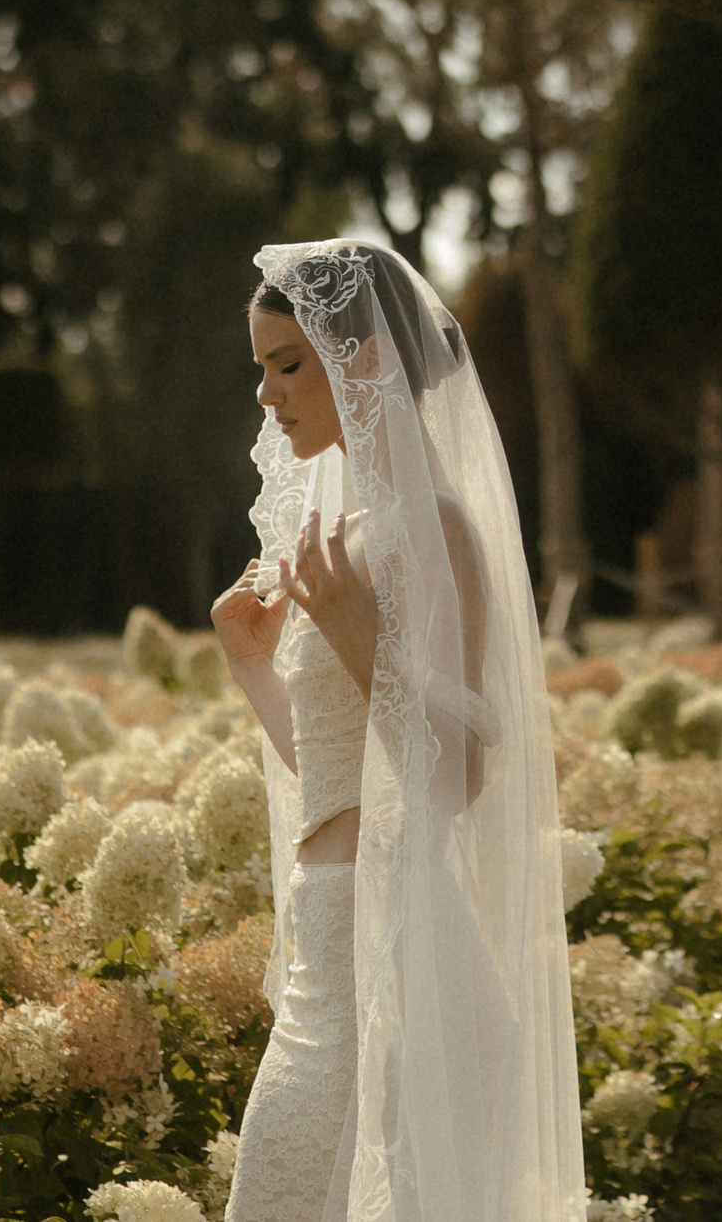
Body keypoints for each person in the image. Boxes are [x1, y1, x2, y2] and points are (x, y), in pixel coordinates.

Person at [209, 239, 583, 1221]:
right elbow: (339, 778)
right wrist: (251, 664)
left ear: (363, 358)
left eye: (288, 364)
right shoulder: (336, 539)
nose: (267, 395)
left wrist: (357, 637)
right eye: (262, 369)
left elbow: (456, 778)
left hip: (400, 951)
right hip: (327, 953)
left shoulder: (434, 528)